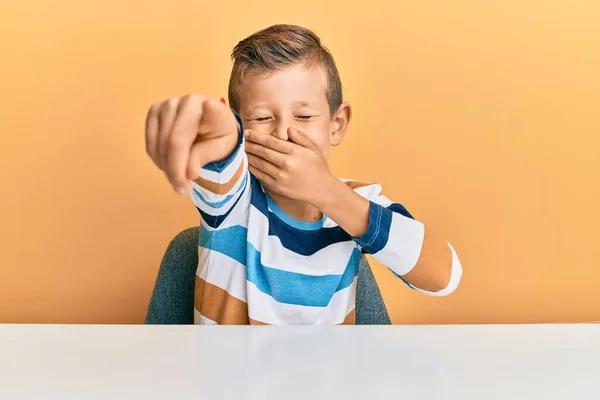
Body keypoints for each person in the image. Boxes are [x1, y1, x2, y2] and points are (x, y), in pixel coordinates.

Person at [144, 24, 462, 325]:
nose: (284, 132)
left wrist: (326, 191)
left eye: (304, 115)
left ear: (336, 125)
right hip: (233, 382)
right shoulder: (231, 200)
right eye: (261, 117)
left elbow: (444, 277)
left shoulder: (355, 204)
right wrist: (218, 132)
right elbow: (222, 151)